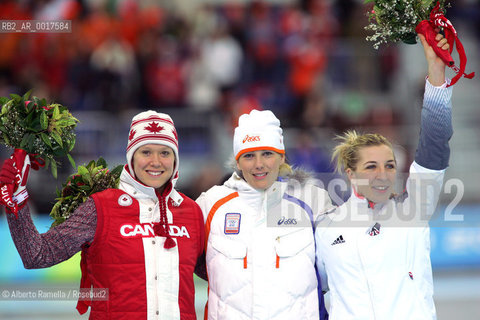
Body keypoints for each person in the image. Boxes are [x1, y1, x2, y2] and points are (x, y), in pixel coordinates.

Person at [0, 111, 205, 320]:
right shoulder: (101, 207)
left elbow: (222, 272)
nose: (156, 162)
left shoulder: (192, 212)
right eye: (146, 152)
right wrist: (17, 198)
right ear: (131, 156)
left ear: (175, 159)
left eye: (165, 153)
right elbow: (38, 255)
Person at [314, 32, 454, 319]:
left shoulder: (412, 211)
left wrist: (436, 75)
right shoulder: (326, 228)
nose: (382, 175)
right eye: (371, 167)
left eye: (389, 165)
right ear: (351, 174)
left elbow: (434, 150)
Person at [196, 109, 333, 320]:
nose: (259, 164)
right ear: (238, 161)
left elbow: (335, 264)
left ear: (282, 157)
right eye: (249, 155)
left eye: (267, 153)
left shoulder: (312, 200)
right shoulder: (210, 203)